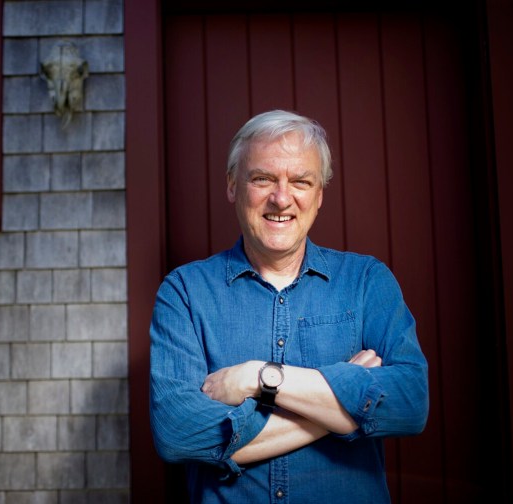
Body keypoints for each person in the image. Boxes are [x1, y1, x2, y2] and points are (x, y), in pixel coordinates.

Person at [149, 110, 428, 503]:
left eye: (300, 181)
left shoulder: (367, 281)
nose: (282, 198)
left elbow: (410, 404)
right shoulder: (184, 292)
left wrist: (258, 378)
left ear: (319, 196)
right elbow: (178, 434)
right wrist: (340, 401)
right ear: (232, 185)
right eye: (262, 178)